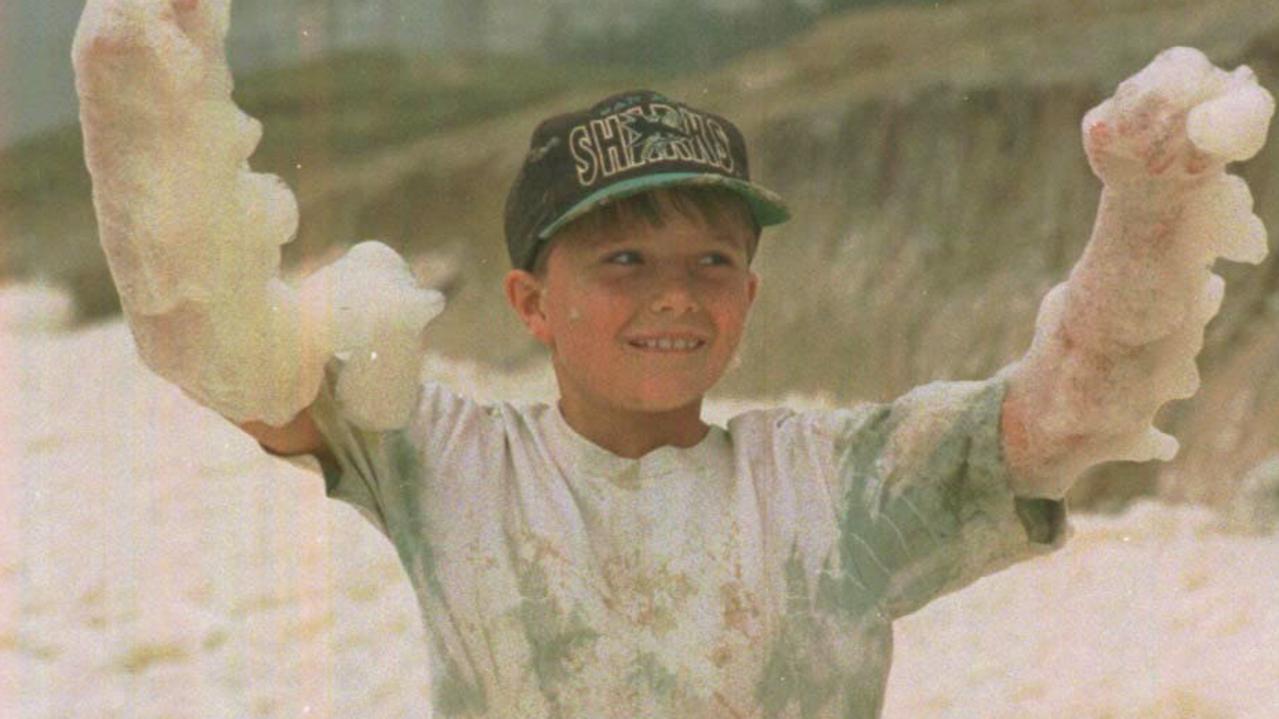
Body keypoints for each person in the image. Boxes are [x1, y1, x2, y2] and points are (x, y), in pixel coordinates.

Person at [73, 2, 1272, 717]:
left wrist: (1150, 206)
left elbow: (1074, 414)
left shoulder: (841, 480)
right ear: (530, 303)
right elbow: (217, 349)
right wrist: (143, 93)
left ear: (749, 293)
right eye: (624, 261)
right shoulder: (439, 456)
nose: (675, 295)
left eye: (709, 261)